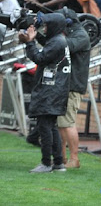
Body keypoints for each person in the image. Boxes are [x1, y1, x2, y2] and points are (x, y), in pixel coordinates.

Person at [19, 13, 71, 173]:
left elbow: (39, 57)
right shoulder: (59, 40)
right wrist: (33, 36)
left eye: (47, 25)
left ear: (54, 26)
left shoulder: (57, 42)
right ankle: (58, 163)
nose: (45, 28)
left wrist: (29, 42)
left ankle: (46, 163)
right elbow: (47, 45)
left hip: (50, 91)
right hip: (56, 90)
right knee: (51, 126)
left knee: (45, 127)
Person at [57, 7, 91, 169]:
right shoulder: (70, 33)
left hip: (73, 85)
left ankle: (74, 159)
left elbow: (65, 46)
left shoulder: (81, 35)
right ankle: (61, 158)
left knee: (67, 123)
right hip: (65, 84)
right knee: (60, 123)